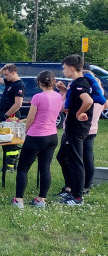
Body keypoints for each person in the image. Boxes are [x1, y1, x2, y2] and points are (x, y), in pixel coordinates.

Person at [10, 70, 62, 209]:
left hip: (36, 136)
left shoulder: (37, 97)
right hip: (52, 136)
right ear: (53, 81)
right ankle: (41, 200)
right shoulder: (58, 96)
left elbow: (32, 117)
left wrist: (26, 129)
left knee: (23, 168)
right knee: (45, 168)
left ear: (39, 83)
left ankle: (18, 199)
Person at [55, 55, 94, 205]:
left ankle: (77, 197)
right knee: (62, 157)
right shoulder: (77, 83)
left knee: (76, 161)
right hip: (71, 127)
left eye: (64, 68)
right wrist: (65, 91)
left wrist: (78, 113)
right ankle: (70, 188)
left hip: (77, 128)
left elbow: (88, 101)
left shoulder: (80, 83)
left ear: (72, 68)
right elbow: (76, 99)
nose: (63, 71)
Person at [0, 63, 25, 170]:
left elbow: (18, 104)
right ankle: (6, 165)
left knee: (11, 141)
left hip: (11, 115)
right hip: (4, 114)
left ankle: (10, 166)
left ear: (14, 73)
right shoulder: (9, 82)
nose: (5, 77)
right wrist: (2, 69)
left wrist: (7, 114)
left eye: (7, 74)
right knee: (4, 140)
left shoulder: (19, 85)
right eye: (4, 75)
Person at [81, 70, 105, 196]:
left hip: (85, 128)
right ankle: (87, 183)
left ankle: (84, 184)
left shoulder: (88, 93)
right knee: (88, 156)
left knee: (84, 158)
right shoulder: (100, 92)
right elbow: (105, 105)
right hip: (93, 128)